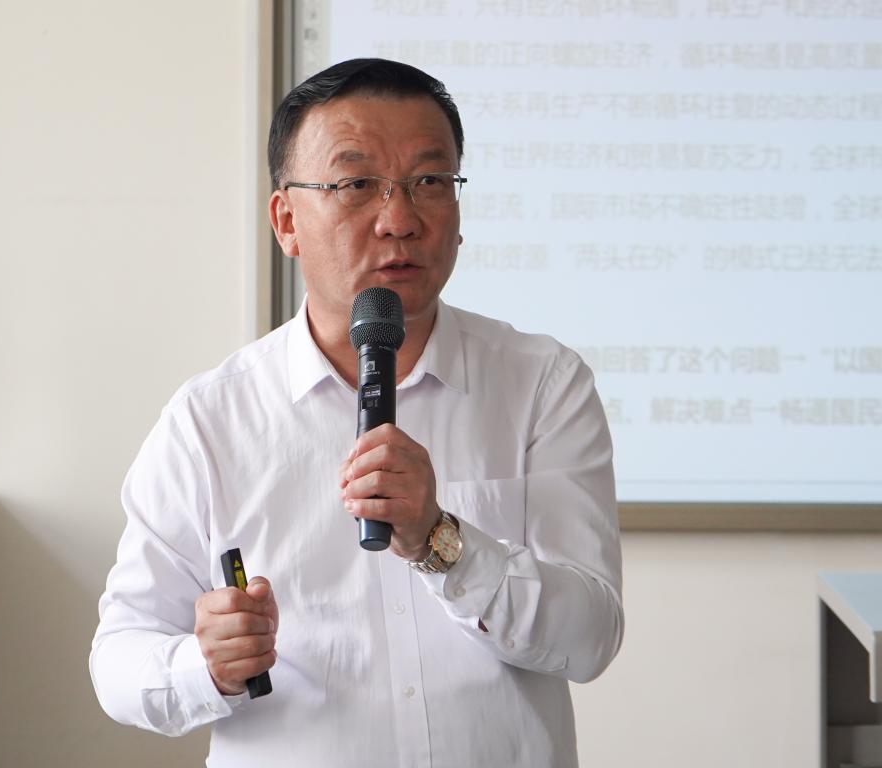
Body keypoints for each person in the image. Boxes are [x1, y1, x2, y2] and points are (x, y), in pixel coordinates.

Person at [90, 58, 623, 768]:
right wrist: (205, 665)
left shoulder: (542, 383)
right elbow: (119, 662)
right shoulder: (210, 420)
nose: (399, 220)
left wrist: (443, 542)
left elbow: (589, 638)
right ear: (286, 221)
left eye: (430, 182)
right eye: (356, 185)